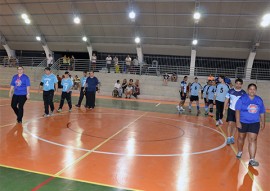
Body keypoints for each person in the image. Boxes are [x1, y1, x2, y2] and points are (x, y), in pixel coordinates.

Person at [235, 83, 265, 166]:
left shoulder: (259, 100)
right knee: (241, 138)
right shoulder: (242, 99)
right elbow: (237, 110)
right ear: (248, 90)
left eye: (254, 89)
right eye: (250, 89)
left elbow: (262, 112)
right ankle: (240, 151)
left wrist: (263, 122)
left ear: (256, 90)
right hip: (243, 122)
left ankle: (252, 159)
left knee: (253, 140)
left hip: (254, 123)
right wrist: (238, 121)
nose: (252, 91)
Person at [223, 78, 246, 145]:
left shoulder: (243, 93)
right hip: (231, 110)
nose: (238, 85)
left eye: (239, 84)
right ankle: (228, 138)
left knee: (236, 125)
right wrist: (224, 109)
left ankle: (232, 137)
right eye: (237, 83)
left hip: (239, 111)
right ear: (235, 84)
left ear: (241, 85)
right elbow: (226, 100)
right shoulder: (230, 91)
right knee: (230, 124)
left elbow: (244, 103)